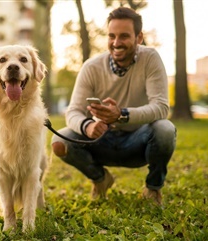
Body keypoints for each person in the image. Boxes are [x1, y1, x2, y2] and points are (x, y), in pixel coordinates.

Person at [51, 7, 177, 206]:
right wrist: (88, 126)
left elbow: (161, 107)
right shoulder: (91, 67)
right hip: (101, 142)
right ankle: (100, 179)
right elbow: (73, 111)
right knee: (59, 141)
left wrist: (122, 114)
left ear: (139, 37)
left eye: (124, 36)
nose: (116, 43)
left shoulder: (150, 59)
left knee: (165, 130)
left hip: (139, 142)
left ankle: (153, 189)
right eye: (111, 36)